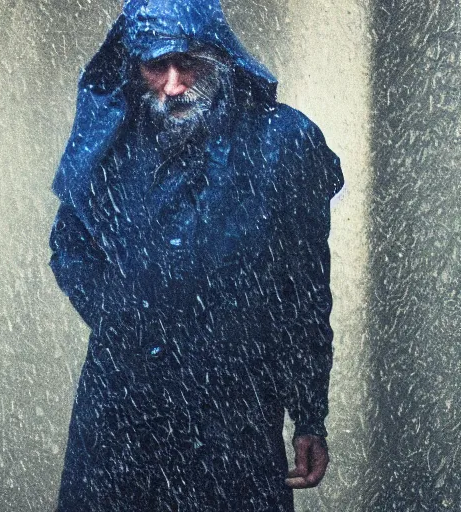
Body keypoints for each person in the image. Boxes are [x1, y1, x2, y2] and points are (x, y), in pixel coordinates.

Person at [48, 0, 344, 510]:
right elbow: (69, 244)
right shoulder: (114, 139)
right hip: (125, 402)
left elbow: (304, 290)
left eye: (188, 62)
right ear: (131, 64)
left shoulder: (284, 143)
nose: (171, 84)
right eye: (154, 65)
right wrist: (128, 318)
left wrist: (309, 412)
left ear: (220, 53)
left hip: (235, 402)